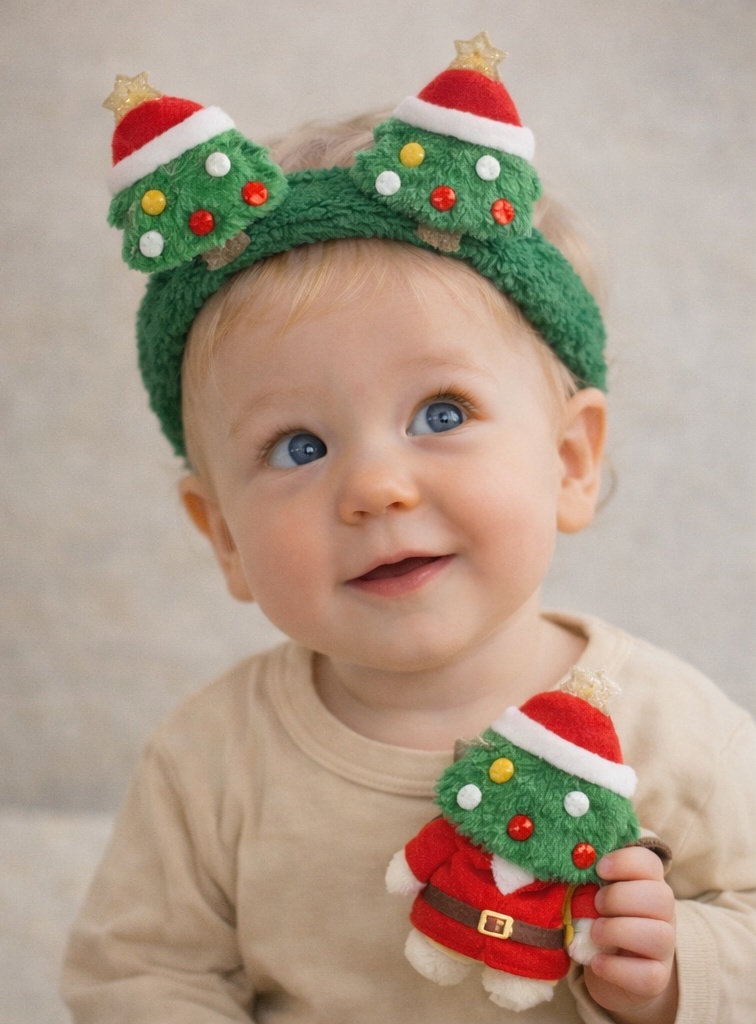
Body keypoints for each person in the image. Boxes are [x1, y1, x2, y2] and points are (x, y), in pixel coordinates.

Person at [62, 35, 756, 1024]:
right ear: (221, 536)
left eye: (440, 413)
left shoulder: (667, 728)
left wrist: (680, 968)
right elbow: (139, 973)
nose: (376, 487)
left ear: (570, 459)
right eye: (299, 446)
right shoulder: (210, 759)